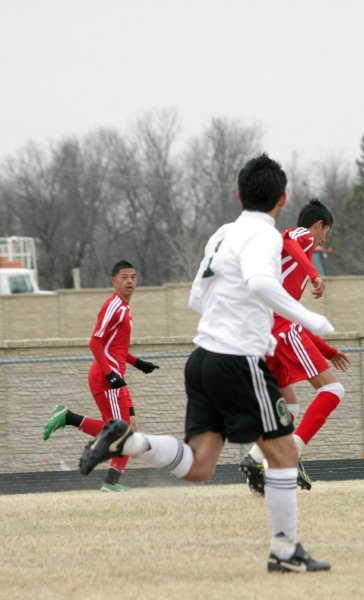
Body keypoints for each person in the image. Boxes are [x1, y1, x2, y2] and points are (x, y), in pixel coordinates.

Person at [78, 153, 334, 573]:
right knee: (285, 453)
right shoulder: (266, 237)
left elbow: (197, 297)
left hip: (202, 359)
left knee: (200, 464)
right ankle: (285, 553)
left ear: (238, 194)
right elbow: (259, 281)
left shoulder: (222, 233)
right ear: (282, 199)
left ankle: (129, 442)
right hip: (236, 359)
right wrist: (310, 319)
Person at [239, 199, 351, 496]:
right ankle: (292, 453)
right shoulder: (301, 236)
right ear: (319, 226)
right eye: (325, 234)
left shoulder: (290, 270)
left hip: (269, 331)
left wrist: (328, 351)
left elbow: (294, 316)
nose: (323, 241)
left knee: (288, 405)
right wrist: (314, 274)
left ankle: (255, 459)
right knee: (332, 391)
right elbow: (289, 240)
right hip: (279, 329)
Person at [42, 260, 159, 492]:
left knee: (128, 428)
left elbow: (115, 348)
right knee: (122, 431)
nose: (130, 281)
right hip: (107, 377)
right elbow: (95, 342)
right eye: (124, 277)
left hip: (115, 375)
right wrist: (110, 374)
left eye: (133, 277)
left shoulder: (124, 308)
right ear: (113, 281)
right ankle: (111, 483)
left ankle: (69, 418)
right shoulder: (114, 305)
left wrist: (138, 363)